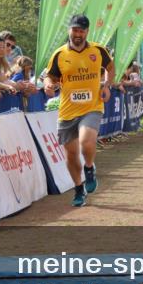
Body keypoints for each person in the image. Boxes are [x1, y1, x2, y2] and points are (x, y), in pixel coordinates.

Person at [42, 15, 114, 207]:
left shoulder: (98, 50)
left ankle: (89, 168)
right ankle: (78, 188)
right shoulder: (60, 54)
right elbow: (49, 76)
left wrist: (106, 85)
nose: (78, 34)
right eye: (75, 30)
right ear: (69, 30)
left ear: (87, 32)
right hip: (67, 111)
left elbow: (110, 67)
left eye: (81, 31)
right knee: (72, 155)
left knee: (86, 142)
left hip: (92, 107)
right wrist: (48, 86)